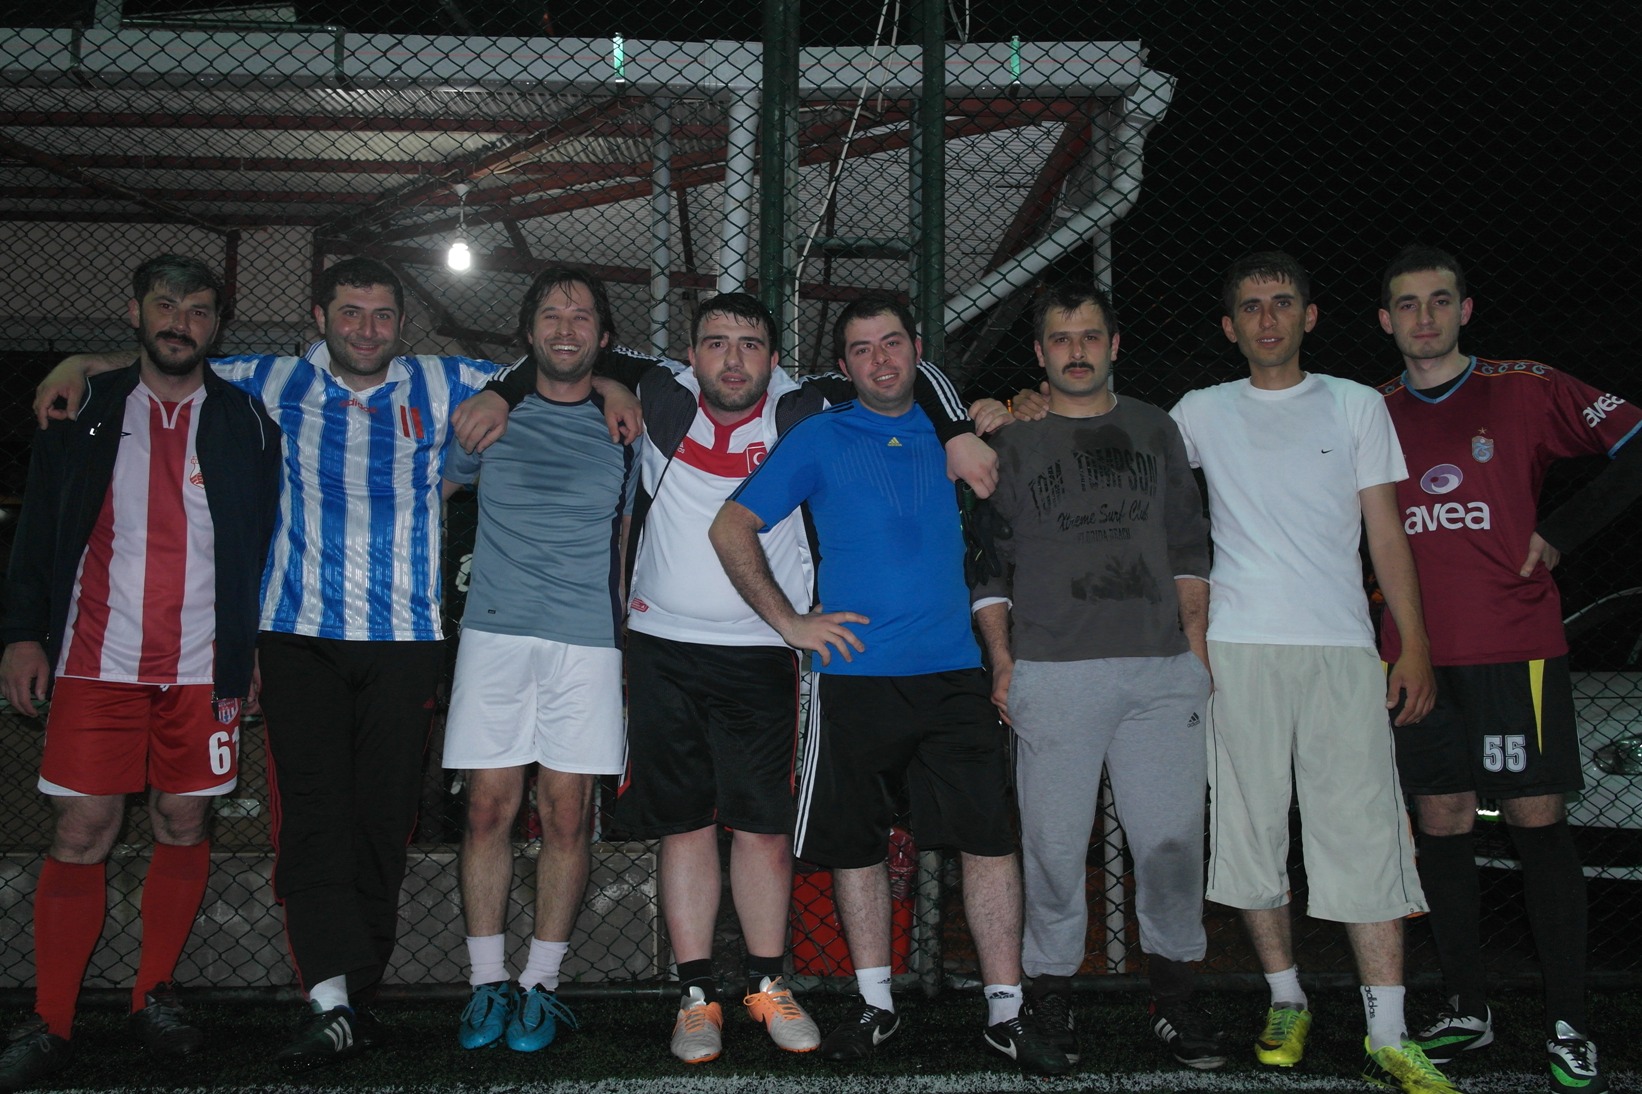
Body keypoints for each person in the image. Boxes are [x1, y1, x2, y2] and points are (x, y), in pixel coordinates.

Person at [29, 257, 636, 1073]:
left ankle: (363, 992)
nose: (366, 329)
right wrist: (80, 362)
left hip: (405, 638)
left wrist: (604, 387)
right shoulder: (272, 379)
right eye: (351, 312)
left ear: (401, 324)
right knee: (312, 818)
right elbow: (172, 354)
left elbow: (557, 364)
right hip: (298, 636)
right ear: (319, 317)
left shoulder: (444, 381)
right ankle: (328, 999)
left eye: (383, 315)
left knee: (383, 823)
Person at [603, 292, 985, 1064]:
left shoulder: (806, 404)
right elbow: (575, 348)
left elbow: (917, 369)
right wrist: (579, 386)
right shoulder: (660, 389)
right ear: (691, 355)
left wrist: (958, 428)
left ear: (775, 360)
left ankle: (767, 985)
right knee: (685, 825)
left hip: (761, 652)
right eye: (716, 343)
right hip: (661, 646)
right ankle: (696, 997)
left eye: (750, 344)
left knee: (764, 828)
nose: (733, 358)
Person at [708, 297, 1069, 1078]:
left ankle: (1005, 1013)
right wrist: (790, 622)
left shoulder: (955, 435)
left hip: (954, 674)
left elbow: (1019, 454)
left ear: (916, 350)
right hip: (854, 678)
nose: (881, 359)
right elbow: (729, 527)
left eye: (893, 342)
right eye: (863, 348)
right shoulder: (820, 436)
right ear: (844, 366)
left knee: (989, 842)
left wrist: (1008, 409)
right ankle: (876, 1006)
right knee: (855, 848)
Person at [1167, 252, 1457, 1094]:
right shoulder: (1201, 410)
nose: (1268, 318)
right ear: (1230, 327)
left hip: (1341, 650)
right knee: (1251, 836)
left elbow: (1386, 532)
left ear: (1310, 316)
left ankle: (1388, 1032)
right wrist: (1030, 406)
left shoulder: (1356, 403)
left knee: (1365, 836)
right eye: (1251, 306)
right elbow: (1117, 442)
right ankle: (1286, 999)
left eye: (1282, 302)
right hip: (1239, 650)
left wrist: (1412, 643)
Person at [0, 255, 281, 1091]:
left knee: (184, 822)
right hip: (96, 663)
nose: (179, 323)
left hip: (202, 666)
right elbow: (37, 530)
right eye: (165, 305)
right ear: (134, 312)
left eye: (197, 311)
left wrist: (249, 650)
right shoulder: (83, 406)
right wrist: (21, 636)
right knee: (82, 829)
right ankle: (50, 1019)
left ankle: (152, 993)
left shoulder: (246, 418)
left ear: (216, 326)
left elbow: (263, 543)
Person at [1375, 245, 1632, 1094]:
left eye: (1438, 300)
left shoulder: (1525, 387)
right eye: (1407, 304)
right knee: (1441, 821)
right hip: (1413, 657)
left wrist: (1564, 531)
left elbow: (1635, 440)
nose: (1424, 317)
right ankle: (1467, 1009)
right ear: (1385, 320)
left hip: (1514, 649)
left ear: (1465, 309)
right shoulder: (1369, 411)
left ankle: (1570, 1022)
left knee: (1535, 819)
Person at [969, 281, 1222, 1072]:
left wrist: (1194, 650)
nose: (1075, 351)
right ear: (1039, 353)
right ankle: (1052, 999)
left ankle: (1175, 998)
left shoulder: (1155, 428)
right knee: (1051, 849)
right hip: (1053, 670)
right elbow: (988, 563)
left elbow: (1188, 545)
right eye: (1060, 338)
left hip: (1159, 669)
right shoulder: (1013, 440)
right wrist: (1004, 662)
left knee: (1172, 844)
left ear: (1114, 345)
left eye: (1089, 336)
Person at [442, 268, 637, 1055]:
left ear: (603, 337)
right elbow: (437, 493)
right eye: (551, 314)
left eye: (581, 315)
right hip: (495, 634)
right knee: (488, 810)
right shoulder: (490, 415)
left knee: (566, 815)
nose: (565, 327)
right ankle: (486, 982)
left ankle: (541, 986)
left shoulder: (625, 424)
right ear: (528, 333)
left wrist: (616, 388)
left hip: (587, 640)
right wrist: (498, 393)